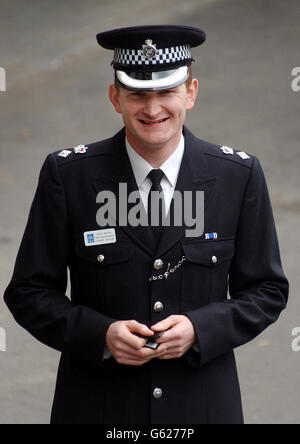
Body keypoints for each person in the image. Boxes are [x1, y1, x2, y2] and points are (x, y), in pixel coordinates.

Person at [4, 25, 289, 425]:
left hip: (202, 407)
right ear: (114, 97)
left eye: (166, 92)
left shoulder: (236, 176)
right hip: (96, 408)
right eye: (137, 93)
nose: (152, 110)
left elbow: (267, 289)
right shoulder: (68, 176)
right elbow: (28, 292)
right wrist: (100, 335)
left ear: (190, 92)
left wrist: (200, 329)